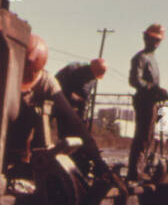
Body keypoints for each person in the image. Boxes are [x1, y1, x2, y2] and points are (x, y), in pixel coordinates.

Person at [8, 36, 126, 196]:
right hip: (11, 123)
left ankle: (26, 165)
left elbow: (74, 121)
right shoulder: (72, 71)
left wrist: (98, 162)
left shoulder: (47, 83)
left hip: (48, 109)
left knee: (44, 127)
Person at [127, 24, 167, 181]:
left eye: (158, 40)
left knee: (149, 137)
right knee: (143, 137)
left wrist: (159, 92)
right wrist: (154, 88)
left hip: (153, 103)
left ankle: (139, 170)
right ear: (146, 38)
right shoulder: (140, 58)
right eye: (153, 39)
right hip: (144, 102)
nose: (156, 43)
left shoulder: (153, 59)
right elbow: (135, 80)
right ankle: (134, 172)